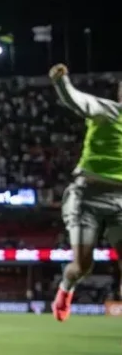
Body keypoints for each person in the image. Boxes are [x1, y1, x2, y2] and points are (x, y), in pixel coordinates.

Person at [50, 63, 122, 322]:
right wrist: (62, 83)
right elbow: (76, 100)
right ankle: (65, 289)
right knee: (83, 265)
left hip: (120, 201)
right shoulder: (108, 111)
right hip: (87, 195)